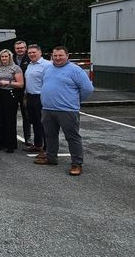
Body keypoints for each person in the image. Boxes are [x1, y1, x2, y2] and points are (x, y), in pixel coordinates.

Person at [35, 46, 93, 176]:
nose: (57, 58)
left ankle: (77, 163)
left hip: (67, 110)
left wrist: (74, 101)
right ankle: (51, 158)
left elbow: (88, 89)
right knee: (50, 135)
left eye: (60, 55)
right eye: (55, 55)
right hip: (48, 109)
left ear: (67, 56)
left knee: (72, 137)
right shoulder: (48, 69)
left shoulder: (75, 70)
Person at [0, 49, 24, 153]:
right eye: (2, 57)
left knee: (9, 120)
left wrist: (8, 82)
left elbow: (20, 84)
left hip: (10, 94)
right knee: (0, 119)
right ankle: (0, 142)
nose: (4, 58)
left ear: (10, 57)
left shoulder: (16, 68)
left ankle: (10, 144)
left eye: (6, 56)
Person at [23, 44, 52, 153]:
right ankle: (38, 144)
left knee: (43, 123)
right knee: (35, 122)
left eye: (34, 52)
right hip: (30, 97)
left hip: (41, 97)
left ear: (40, 52)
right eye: (30, 53)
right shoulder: (30, 65)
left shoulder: (47, 65)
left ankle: (47, 148)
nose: (31, 54)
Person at [13, 40, 32, 147]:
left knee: (27, 116)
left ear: (25, 48)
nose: (20, 50)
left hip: (26, 92)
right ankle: (11, 137)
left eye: (22, 48)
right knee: (12, 115)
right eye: (18, 48)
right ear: (15, 49)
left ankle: (27, 137)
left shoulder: (30, 59)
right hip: (14, 91)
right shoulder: (11, 59)